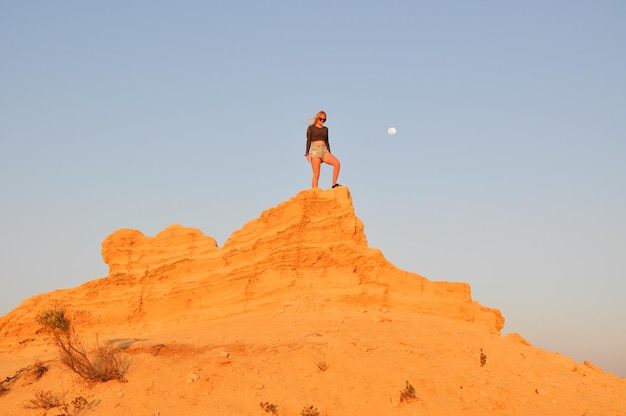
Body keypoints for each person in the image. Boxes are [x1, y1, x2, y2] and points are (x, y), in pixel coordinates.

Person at [304, 110, 341, 189]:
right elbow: (308, 140)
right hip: (315, 151)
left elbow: (327, 141)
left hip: (324, 150)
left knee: (337, 163)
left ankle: (334, 184)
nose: (322, 121)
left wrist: (329, 152)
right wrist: (307, 153)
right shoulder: (311, 128)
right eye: (321, 119)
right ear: (317, 118)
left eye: (324, 120)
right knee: (316, 174)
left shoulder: (325, 129)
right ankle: (315, 192)